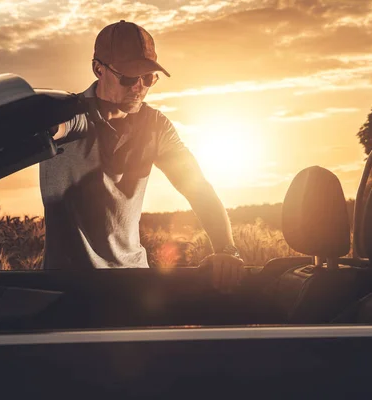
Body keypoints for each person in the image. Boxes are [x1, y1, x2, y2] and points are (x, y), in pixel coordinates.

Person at [39, 20, 244, 292]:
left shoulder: (156, 127)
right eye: (128, 77)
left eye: (148, 78)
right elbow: (60, 126)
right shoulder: (70, 114)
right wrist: (45, 125)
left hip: (133, 284)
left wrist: (226, 249)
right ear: (98, 69)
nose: (138, 87)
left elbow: (198, 188)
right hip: (67, 289)